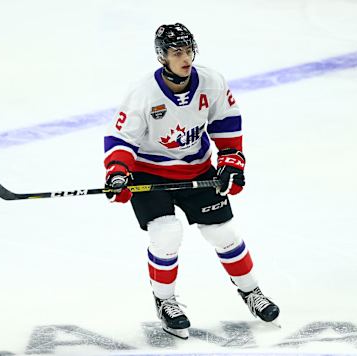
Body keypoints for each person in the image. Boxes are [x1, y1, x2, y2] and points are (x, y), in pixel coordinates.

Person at [103, 23, 279, 339]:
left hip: (196, 170)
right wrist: (117, 172)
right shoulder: (143, 93)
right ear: (162, 57)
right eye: (177, 52)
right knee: (167, 233)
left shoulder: (211, 83)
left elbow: (226, 124)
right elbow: (121, 138)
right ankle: (166, 301)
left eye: (188, 50)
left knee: (223, 232)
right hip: (149, 174)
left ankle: (252, 292)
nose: (185, 58)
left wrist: (230, 162)